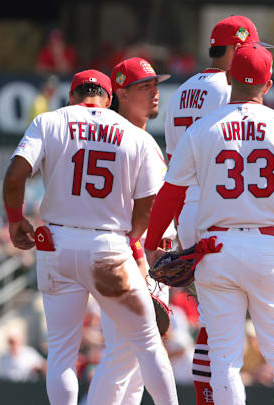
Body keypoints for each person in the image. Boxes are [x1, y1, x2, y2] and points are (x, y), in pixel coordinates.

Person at [144, 44, 274, 405]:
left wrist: (152, 241)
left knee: (224, 358)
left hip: (216, 247)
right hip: (268, 245)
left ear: (230, 77)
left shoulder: (204, 127)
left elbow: (171, 193)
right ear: (267, 85)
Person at [2, 69, 178, 405]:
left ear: (72, 96)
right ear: (109, 99)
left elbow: (15, 176)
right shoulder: (134, 134)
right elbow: (150, 203)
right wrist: (133, 238)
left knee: (62, 353)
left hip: (56, 243)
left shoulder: (50, 121)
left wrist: (14, 220)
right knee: (147, 342)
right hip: (109, 245)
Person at [163, 14, 272, 404]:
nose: (256, 56)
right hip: (220, 213)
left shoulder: (181, 91)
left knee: (213, 324)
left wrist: (174, 225)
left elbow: (173, 166)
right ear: (238, 47)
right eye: (252, 48)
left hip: (190, 209)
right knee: (223, 332)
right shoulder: (231, 88)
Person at [85, 57, 176, 405]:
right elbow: (130, 214)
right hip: (135, 255)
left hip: (139, 254)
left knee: (136, 364)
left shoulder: (125, 137)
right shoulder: (128, 140)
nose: (155, 92)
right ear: (120, 93)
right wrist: (140, 258)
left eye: (156, 84)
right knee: (125, 355)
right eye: (144, 87)